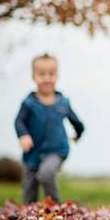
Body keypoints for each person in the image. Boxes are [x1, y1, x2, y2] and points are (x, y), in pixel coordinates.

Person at [15, 53, 85, 204]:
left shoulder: (63, 103)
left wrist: (77, 134)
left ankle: (56, 209)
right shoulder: (29, 103)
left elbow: (77, 123)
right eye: (41, 74)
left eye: (51, 74)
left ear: (56, 76)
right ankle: (31, 219)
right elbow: (19, 121)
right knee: (29, 192)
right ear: (34, 76)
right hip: (32, 153)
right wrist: (23, 135)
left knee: (46, 174)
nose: (46, 78)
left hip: (56, 150)